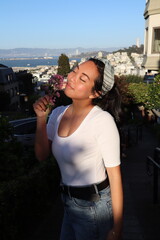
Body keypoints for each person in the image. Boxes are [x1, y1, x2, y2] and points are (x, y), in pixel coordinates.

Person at [33, 57, 123, 240]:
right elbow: (41, 155)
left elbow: (115, 176)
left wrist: (117, 228)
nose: (72, 77)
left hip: (94, 207)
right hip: (68, 203)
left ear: (95, 93)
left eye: (83, 79)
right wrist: (41, 119)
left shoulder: (102, 121)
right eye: (75, 70)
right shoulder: (58, 114)